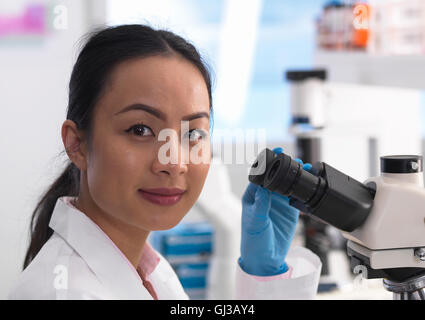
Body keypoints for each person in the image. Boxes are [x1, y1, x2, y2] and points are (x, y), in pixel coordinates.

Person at [8, 24, 321, 300]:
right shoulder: (67, 293)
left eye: (192, 133)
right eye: (140, 130)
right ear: (77, 145)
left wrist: (264, 277)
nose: (173, 162)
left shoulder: (151, 271)